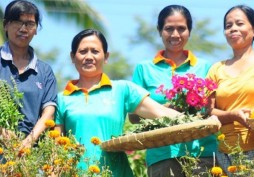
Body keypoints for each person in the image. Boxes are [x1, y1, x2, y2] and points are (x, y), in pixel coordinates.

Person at [54, 29, 183, 177]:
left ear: (106, 56)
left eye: (95, 51)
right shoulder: (61, 99)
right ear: (72, 56)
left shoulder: (122, 90)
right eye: (83, 51)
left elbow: (162, 113)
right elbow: (56, 147)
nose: (89, 57)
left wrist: (198, 121)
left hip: (116, 173)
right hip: (75, 173)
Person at [130, 5, 217, 177]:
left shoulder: (206, 67)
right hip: (161, 155)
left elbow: (212, 109)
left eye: (181, 29)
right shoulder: (144, 69)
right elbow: (133, 117)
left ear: (189, 31)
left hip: (203, 153)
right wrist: (164, 110)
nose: (175, 35)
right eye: (169, 29)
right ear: (159, 31)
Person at [207, 5, 254, 175]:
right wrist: (233, 115)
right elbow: (209, 112)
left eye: (239, 23)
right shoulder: (216, 69)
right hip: (227, 155)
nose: (233, 29)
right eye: (228, 26)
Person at [0, 0, 57, 148]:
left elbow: (49, 111)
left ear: (36, 29)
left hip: (29, 157)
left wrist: (29, 141)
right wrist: (3, 132)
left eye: (30, 24)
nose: (23, 29)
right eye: (18, 22)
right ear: (6, 25)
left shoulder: (44, 71)